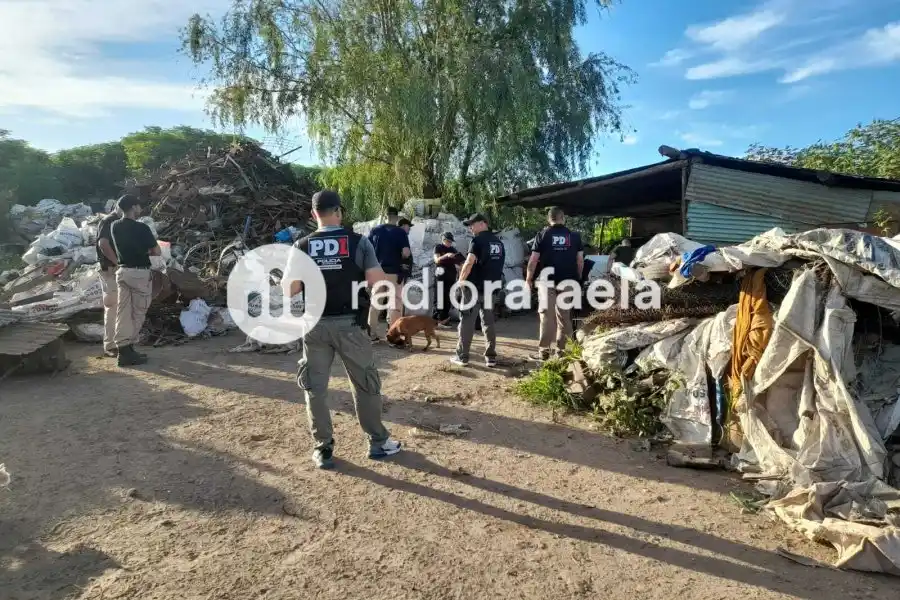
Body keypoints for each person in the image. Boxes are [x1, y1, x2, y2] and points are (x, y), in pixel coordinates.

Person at [290, 190, 402, 469]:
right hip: (350, 324)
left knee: (315, 388)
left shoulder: (301, 245)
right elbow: (377, 283)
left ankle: (323, 449)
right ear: (338, 211)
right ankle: (377, 443)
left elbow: (292, 289)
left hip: (314, 325)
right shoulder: (358, 242)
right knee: (365, 383)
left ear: (314, 214)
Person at [525, 206, 584, 361]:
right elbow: (580, 261)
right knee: (564, 317)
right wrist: (578, 278)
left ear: (549, 219)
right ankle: (562, 352)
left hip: (547, 281)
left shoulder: (542, 235)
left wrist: (528, 279)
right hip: (568, 281)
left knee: (546, 316)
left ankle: (543, 352)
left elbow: (533, 261)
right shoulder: (575, 236)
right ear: (563, 218)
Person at [110, 195, 160, 367]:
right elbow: (156, 250)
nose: (140, 209)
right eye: (138, 206)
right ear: (133, 207)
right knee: (138, 313)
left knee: (122, 312)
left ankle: (124, 350)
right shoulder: (142, 227)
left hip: (123, 272)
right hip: (139, 274)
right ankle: (128, 350)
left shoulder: (114, 226)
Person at [452, 213, 505, 368]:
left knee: (467, 320)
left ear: (483, 223)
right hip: (491, 287)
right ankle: (491, 357)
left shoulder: (477, 240)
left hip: (474, 287)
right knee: (488, 321)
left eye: (473, 224)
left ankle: (462, 356)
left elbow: (469, 263)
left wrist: (461, 281)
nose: (470, 227)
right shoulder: (499, 243)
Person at [366, 207, 411, 340]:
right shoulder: (400, 232)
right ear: (396, 218)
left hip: (377, 272)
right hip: (394, 272)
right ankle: (393, 336)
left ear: (385, 216)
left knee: (375, 303)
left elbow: (367, 251)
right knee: (395, 304)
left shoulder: (375, 231)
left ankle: (371, 334)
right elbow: (406, 252)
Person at [96, 204, 122, 358]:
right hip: (110, 270)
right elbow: (103, 244)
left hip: (114, 269)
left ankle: (118, 342)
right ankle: (110, 345)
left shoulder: (115, 221)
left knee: (118, 308)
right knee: (112, 307)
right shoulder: (109, 221)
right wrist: (117, 262)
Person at [432, 232, 463, 327]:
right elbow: (436, 260)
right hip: (441, 276)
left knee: (448, 298)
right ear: (443, 240)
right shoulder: (438, 247)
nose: (449, 243)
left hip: (451, 277)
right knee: (439, 297)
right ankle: (437, 320)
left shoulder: (453, 249)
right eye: (448, 241)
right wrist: (446, 255)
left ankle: (444, 319)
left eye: (450, 241)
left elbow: (460, 262)